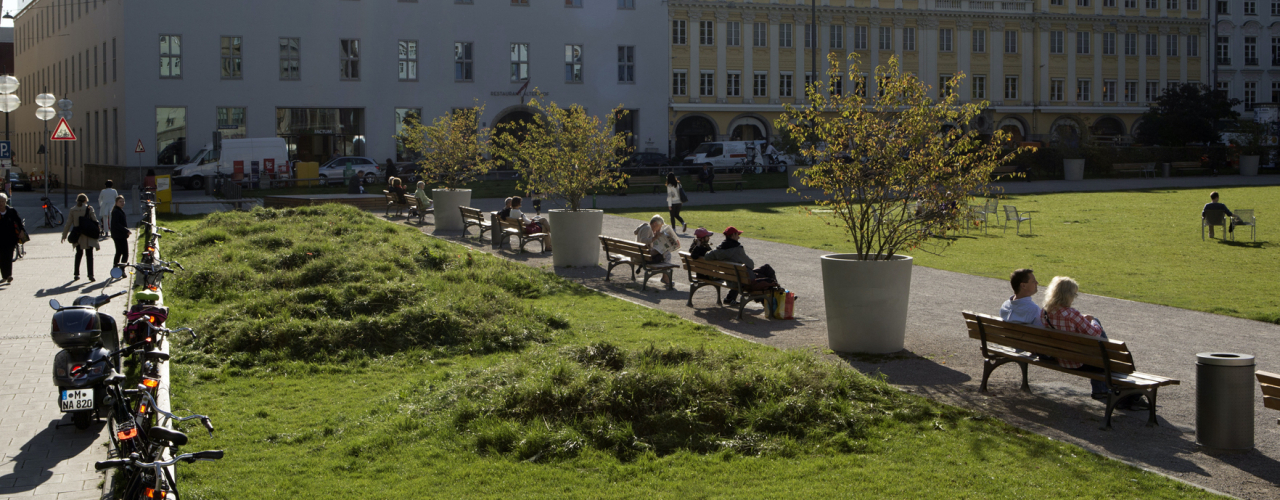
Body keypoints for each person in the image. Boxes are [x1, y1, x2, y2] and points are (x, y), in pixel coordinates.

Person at [1042, 276, 1148, 410]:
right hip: (1080, 362)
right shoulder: (1072, 314)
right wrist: (1093, 321)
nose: (1075, 297)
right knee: (1116, 358)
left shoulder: (1045, 312)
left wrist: (1082, 320)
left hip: (1062, 358)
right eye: (1074, 294)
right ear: (1068, 295)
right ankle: (1131, 396)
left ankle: (1100, 390)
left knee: (1102, 353)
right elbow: (1095, 333)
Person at [702, 226, 779, 304]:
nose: (739, 237)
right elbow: (751, 265)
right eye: (737, 234)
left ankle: (730, 298)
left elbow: (707, 256)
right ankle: (772, 297)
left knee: (763, 269)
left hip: (731, 278)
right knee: (768, 274)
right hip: (744, 280)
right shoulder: (737, 249)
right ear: (732, 235)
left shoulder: (718, 250)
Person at [62, 193, 101, 281]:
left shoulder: (73, 210)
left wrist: (64, 235)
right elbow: (95, 220)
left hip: (78, 235)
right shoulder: (89, 208)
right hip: (88, 235)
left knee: (78, 254)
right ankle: (90, 275)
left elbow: (68, 223)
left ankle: (76, 274)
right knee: (89, 255)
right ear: (85, 200)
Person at [633, 214, 680, 286]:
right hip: (642, 256)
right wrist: (654, 238)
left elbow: (647, 241)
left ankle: (665, 277)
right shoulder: (647, 228)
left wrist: (655, 237)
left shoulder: (646, 228)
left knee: (665, 252)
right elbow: (643, 241)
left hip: (640, 254)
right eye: (659, 226)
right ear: (655, 223)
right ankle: (665, 278)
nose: (659, 229)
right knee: (667, 254)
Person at [0, 193, 24, 284]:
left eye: (2, 201)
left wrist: (21, 231)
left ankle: (8, 275)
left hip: (10, 238)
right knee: (1, 258)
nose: (1, 203)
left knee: (8, 257)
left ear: (6, 202)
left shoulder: (11, 211)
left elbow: (18, 221)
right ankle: (4, 276)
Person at [110, 195, 130, 269]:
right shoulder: (116, 211)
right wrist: (126, 230)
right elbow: (116, 224)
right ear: (116, 203)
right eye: (120, 201)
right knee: (124, 253)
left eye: (123, 201)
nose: (122, 203)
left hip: (119, 235)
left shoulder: (118, 210)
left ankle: (116, 268)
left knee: (119, 252)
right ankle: (121, 269)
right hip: (119, 235)